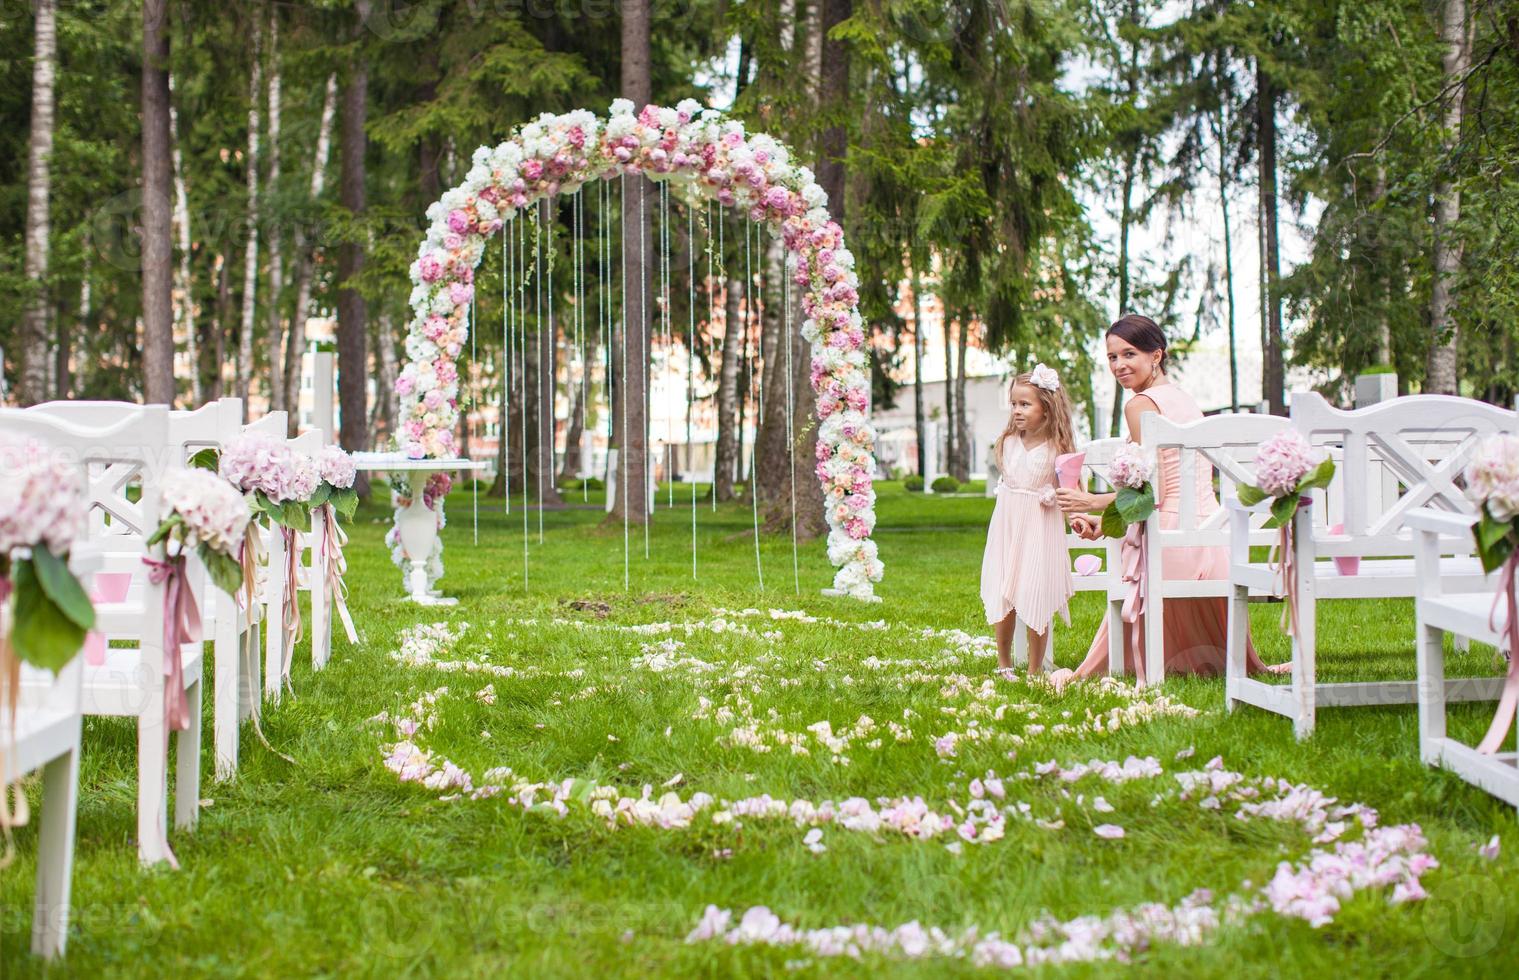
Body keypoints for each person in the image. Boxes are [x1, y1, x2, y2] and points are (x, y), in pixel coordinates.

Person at [1050, 315, 1283, 685]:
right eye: (1111, 358)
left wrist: (1088, 501)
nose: (1119, 366)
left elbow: (1151, 491)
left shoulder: (1140, 405)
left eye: (1129, 354)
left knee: (1083, 674)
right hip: (1212, 540)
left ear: (1156, 355)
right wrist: (1107, 519)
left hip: (1170, 543)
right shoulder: (1183, 400)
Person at [980, 364, 1077, 675]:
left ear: (1046, 408)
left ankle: (1035, 669)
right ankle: (1004, 664)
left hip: (1039, 526)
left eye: (1025, 404)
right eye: (1014, 404)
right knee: (1003, 590)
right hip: (1007, 524)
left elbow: (1073, 491)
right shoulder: (1008, 441)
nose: (1017, 411)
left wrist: (1076, 516)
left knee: (1036, 592)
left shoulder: (1058, 447)